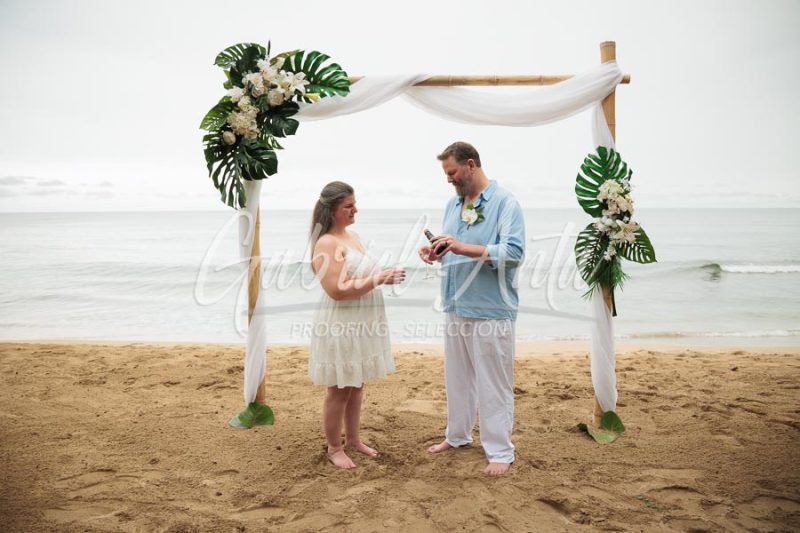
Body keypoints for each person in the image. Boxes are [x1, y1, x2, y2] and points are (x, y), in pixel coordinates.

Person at [419, 142, 525, 476]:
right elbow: (452, 249)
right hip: (455, 304)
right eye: (446, 174)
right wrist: (435, 252)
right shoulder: (453, 204)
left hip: (491, 309)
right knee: (458, 379)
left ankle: (500, 451)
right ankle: (457, 436)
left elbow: (513, 253)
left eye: (451, 173)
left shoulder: (506, 203)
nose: (449, 180)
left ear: (470, 165)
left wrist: (461, 246)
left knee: (493, 382)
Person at [308, 181, 406, 469]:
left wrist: (384, 275)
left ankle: (353, 439)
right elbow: (336, 290)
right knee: (340, 387)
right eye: (348, 206)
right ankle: (334, 447)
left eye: (355, 203)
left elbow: (359, 273)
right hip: (342, 322)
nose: (355, 209)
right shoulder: (326, 242)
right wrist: (379, 279)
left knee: (357, 383)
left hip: (363, 320)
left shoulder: (354, 236)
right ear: (333, 210)